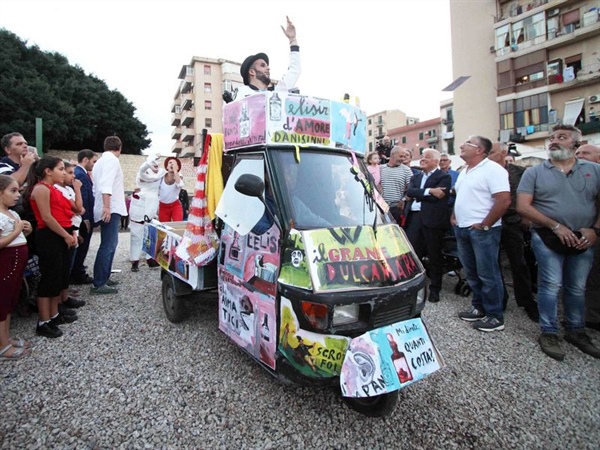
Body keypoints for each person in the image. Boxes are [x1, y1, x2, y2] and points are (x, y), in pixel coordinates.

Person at [517, 125, 600, 360]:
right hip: (547, 236)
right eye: (551, 138)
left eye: (561, 138)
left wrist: (595, 230)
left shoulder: (594, 171)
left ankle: (576, 329)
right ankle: (549, 331)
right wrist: (555, 225)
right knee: (550, 284)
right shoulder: (534, 172)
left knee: (577, 287)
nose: (553, 141)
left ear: (576, 144)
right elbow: (523, 206)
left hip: (584, 238)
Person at [452, 136, 510, 332]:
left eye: (467, 143)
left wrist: (486, 224)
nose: (461, 145)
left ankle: (495, 316)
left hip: (483, 231)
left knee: (488, 273)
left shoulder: (493, 170)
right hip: (463, 228)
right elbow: (461, 196)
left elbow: (503, 200)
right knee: (472, 273)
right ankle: (478, 307)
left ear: (479, 150)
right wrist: (454, 215)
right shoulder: (464, 171)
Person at [24, 157, 78, 338]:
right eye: (61, 169)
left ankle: (54, 314)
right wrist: (65, 235)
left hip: (59, 234)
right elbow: (46, 218)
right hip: (49, 236)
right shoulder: (40, 189)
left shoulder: (51, 189)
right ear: (48, 171)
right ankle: (44, 321)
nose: (64, 173)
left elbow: (69, 210)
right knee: (49, 278)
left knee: (58, 276)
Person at [487, 144, 538, 322]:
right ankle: (500, 299)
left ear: (503, 153)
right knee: (493, 263)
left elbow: (530, 195)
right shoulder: (485, 172)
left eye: (491, 152)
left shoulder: (520, 172)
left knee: (519, 262)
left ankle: (526, 301)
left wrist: (526, 216)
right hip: (490, 222)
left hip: (512, 221)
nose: (488, 156)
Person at [404, 149, 451, 303]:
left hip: (433, 221)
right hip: (414, 219)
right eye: (423, 156)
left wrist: (420, 193)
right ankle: (412, 288)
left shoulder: (444, 177)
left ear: (436, 161)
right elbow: (410, 191)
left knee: (434, 255)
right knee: (413, 254)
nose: (423, 159)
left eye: (427, 157)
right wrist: (430, 191)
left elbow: (439, 197)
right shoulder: (416, 176)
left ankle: (435, 289)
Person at [0, 175, 33, 359]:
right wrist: (17, 231)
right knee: (2, 302)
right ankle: (2, 346)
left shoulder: (13, 214)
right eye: (12, 191)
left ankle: (5, 338)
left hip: (17, 262)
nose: (17, 196)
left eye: (18, 191)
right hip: (6, 263)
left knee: (10, 301)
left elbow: (18, 234)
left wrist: (26, 230)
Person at [91, 136, 127, 295]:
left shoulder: (100, 162)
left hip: (106, 206)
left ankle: (104, 277)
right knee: (108, 245)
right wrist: (107, 207)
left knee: (110, 244)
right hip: (111, 207)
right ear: (119, 148)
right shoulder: (112, 160)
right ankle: (99, 282)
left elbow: (97, 186)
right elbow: (106, 184)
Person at [236, 16, 300, 99]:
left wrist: (293, 40)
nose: (268, 68)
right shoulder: (241, 94)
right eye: (262, 65)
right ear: (252, 71)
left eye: (267, 65)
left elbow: (295, 70)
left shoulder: (277, 93)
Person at [54, 161, 86, 313]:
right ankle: (58, 302)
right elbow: (78, 208)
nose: (74, 176)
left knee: (67, 267)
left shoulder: (68, 189)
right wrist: (78, 190)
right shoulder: (56, 189)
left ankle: (65, 297)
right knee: (61, 269)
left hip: (74, 230)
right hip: (66, 232)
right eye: (70, 172)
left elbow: (80, 209)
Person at [574, 144, 600, 331]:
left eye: (586, 153)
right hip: (584, 234)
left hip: (594, 231)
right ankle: (591, 317)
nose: (581, 156)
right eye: (578, 153)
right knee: (592, 277)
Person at [129, 155, 165, 272]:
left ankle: (150, 259)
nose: (156, 165)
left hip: (152, 206)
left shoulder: (161, 173)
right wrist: (150, 163)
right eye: (153, 163)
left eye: (157, 163)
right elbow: (143, 172)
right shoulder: (143, 172)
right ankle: (135, 261)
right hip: (139, 205)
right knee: (136, 235)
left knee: (151, 233)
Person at [71, 149, 97, 285]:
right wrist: (86, 217)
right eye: (93, 161)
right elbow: (83, 197)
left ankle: (77, 270)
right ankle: (77, 273)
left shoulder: (83, 174)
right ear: (85, 159)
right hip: (83, 217)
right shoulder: (80, 174)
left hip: (85, 215)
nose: (94, 165)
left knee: (83, 247)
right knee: (82, 246)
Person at [380, 146, 413, 225]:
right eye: (401, 156)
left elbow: (412, 189)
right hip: (380, 208)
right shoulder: (380, 168)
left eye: (404, 156)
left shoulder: (406, 170)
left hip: (396, 208)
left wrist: (404, 200)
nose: (403, 159)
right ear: (392, 155)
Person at [158, 157, 184, 222]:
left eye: (174, 163)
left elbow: (180, 185)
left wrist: (175, 171)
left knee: (178, 224)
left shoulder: (179, 177)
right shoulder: (161, 177)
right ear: (167, 167)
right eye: (170, 163)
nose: (172, 164)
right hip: (163, 206)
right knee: (164, 228)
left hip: (175, 205)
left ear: (177, 167)